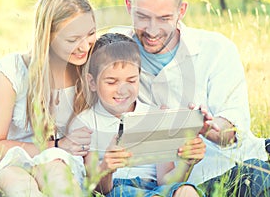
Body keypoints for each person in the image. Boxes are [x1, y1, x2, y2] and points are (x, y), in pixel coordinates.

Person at [111, 0, 269, 196]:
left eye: (164, 18)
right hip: (151, 181)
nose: (152, 30)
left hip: (220, 170)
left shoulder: (216, 49)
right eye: (142, 16)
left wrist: (208, 128)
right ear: (128, 6)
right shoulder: (110, 52)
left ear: (181, 11)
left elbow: (232, 132)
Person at [0, 0, 95, 197]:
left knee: (59, 178)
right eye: (73, 39)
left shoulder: (88, 70)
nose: (85, 46)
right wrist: (57, 145)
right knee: (21, 186)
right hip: (9, 162)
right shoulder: (12, 70)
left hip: (59, 161)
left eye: (90, 33)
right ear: (48, 37)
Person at [70, 33, 206, 197]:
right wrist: (107, 168)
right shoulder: (85, 123)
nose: (122, 89)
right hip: (117, 189)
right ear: (92, 82)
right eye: (112, 82)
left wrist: (186, 162)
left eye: (131, 80)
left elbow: (166, 181)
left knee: (187, 191)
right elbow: (96, 189)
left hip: (155, 188)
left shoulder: (153, 116)